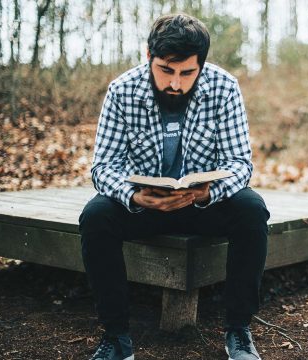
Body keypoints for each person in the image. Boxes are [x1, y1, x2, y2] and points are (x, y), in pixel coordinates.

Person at [79, 13, 269, 360]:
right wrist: (135, 195)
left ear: (201, 65)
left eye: (187, 73)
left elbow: (240, 164)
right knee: (95, 215)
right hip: (145, 206)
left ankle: (239, 331)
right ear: (148, 56)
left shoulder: (224, 87)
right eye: (166, 70)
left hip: (201, 205)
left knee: (252, 209)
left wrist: (207, 192)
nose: (176, 84)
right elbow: (103, 167)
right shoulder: (122, 90)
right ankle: (117, 338)